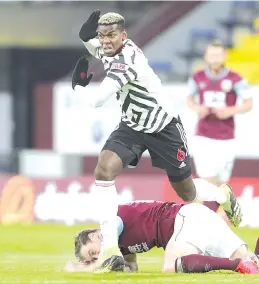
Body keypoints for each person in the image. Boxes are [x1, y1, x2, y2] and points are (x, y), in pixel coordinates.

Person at [72, 10, 242, 272]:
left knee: (188, 193)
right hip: (132, 125)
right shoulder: (110, 48)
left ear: (124, 36)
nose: (105, 41)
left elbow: (96, 100)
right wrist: (86, 39)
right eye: (102, 35)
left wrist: (79, 86)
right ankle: (111, 249)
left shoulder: (127, 60)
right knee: (104, 170)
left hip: (163, 127)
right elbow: (97, 49)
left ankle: (222, 195)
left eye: (111, 35)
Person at [67, 199, 259, 274]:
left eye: (93, 251)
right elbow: (130, 268)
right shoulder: (120, 247)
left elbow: (109, 252)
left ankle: (234, 265)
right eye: (94, 257)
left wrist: (79, 269)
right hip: (197, 218)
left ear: (95, 234)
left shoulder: (109, 222)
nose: (98, 255)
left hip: (184, 219)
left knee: (171, 266)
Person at [187, 40, 252, 187]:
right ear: (206, 56)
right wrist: (197, 108)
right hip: (203, 136)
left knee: (222, 183)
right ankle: (201, 209)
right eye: (212, 55)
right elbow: (189, 99)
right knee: (204, 179)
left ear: (225, 56)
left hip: (226, 137)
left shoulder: (236, 79)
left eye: (218, 55)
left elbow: (249, 103)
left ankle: (223, 210)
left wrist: (231, 110)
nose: (215, 59)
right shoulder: (197, 77)